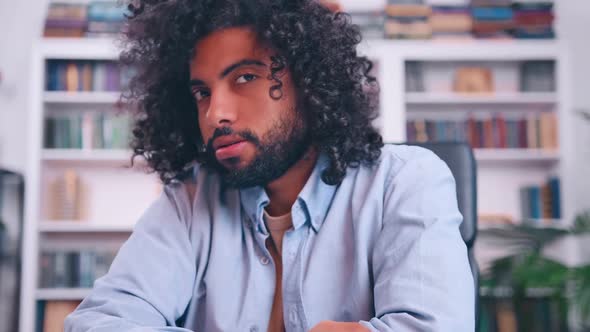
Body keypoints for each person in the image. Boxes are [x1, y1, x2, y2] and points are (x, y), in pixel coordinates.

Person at [65, 0, 474, 331]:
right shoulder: (191, 200)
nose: (214, 114)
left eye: (244, 77)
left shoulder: (404, 181)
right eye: (202, 92)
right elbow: (101, 321)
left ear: (310, 80)